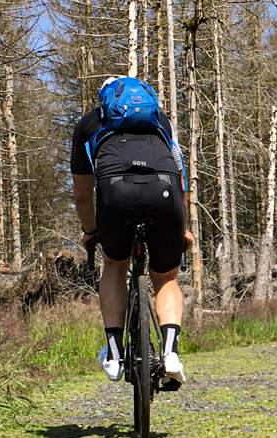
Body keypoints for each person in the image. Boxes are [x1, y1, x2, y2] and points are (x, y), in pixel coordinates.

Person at [71, 76, 193, 387]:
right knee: (166, 278)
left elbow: (83, 195)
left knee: (114, 266)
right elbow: (181, 176)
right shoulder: (159, 120)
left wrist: (90, 231)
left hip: (116, 194)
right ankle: (170, 353)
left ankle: (114, 353)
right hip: (166, 192)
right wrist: (184, 228)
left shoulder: (89, 124)